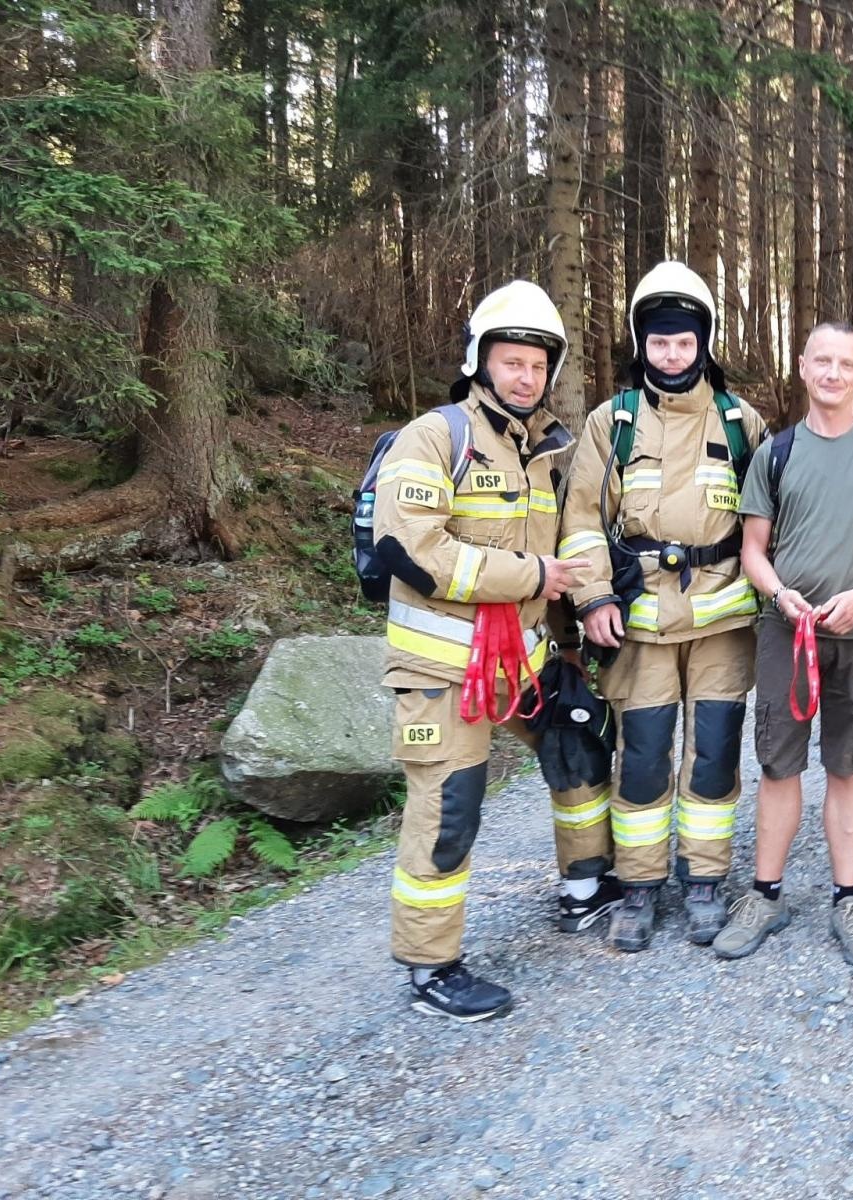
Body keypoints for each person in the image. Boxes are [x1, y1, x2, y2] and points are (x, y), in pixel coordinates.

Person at [373, 280, 616, 1022]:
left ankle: (586, 888)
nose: (525, 377)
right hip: (441, 668)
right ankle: (429, 965)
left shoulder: (541, 453)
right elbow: (408, 549)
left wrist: (568, 645)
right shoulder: (434, 436)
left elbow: (558, 565)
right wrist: (528, 575)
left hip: (523, 657)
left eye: (537, 367)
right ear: (481, 360)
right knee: (450, 806)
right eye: (512, 362)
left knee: (579, 740)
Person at [559, 262, 769, 952]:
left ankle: (705, 881)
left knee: (712, 755)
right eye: (660, 342)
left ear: (704, 343)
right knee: (643, 757)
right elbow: (582, 520)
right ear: (640, 344)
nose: (672, 354)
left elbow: (768, 523)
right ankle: (641, 888)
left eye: (684, 342)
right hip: (639, 621)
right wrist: (591, 598)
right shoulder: (609, 423)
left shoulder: (742, 423)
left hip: (723, 623)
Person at [710, 321, 853, 968]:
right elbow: (753, 550)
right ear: (802, 367)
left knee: (847, 763)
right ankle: (765, 895)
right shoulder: (774, 454)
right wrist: (779, 596)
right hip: (786, 633)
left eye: (846, 363)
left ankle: (848, 899)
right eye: (822, 361)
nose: (833, 373)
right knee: (778, 763)